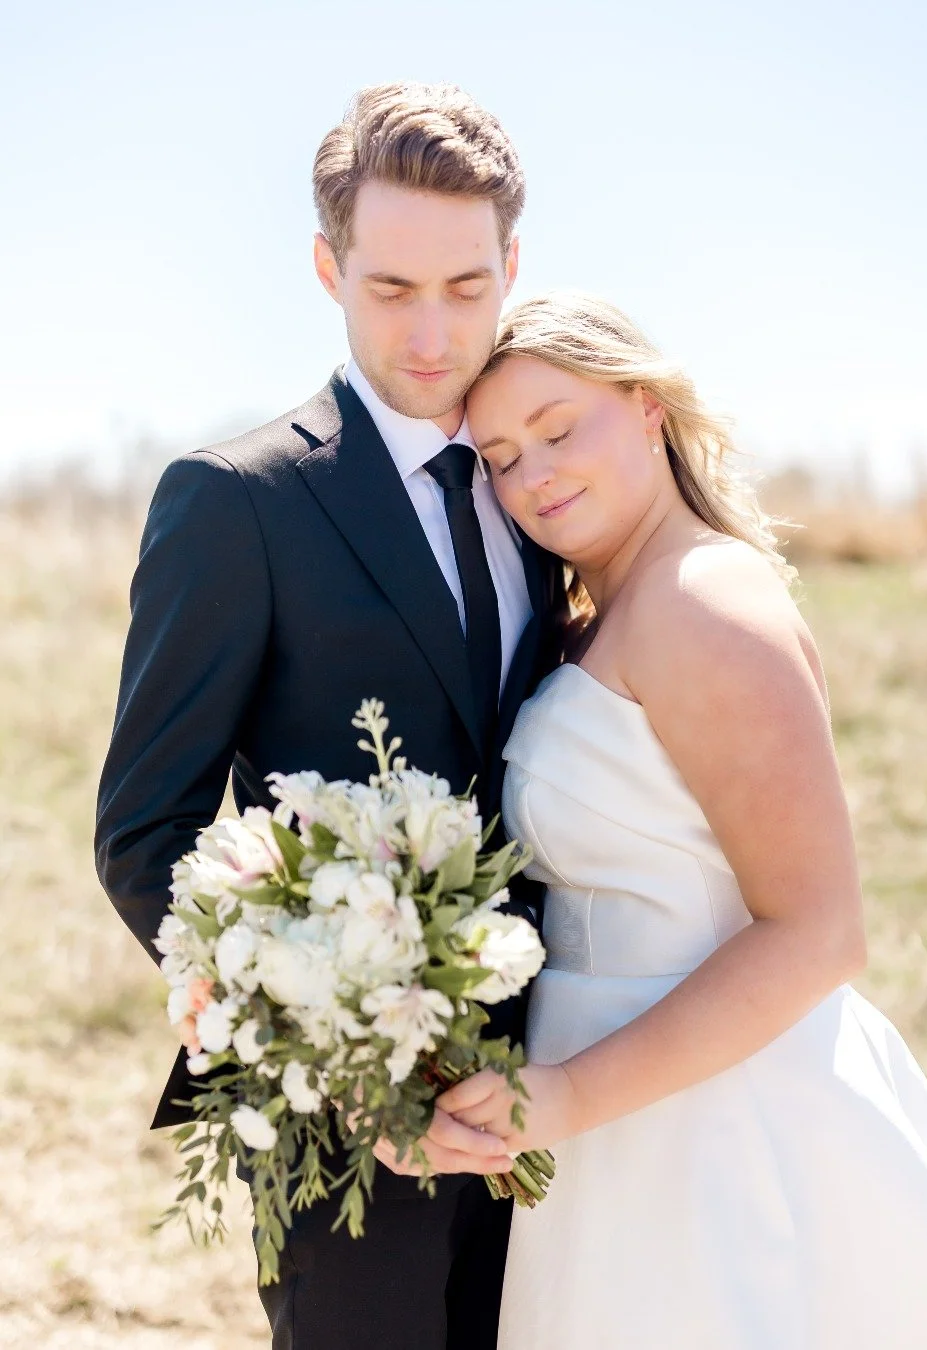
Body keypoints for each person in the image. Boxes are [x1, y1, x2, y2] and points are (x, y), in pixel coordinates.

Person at [432, 291, 927, 1348]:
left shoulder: (705, 604)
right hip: (610, 1109)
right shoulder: (595, 615)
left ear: (645, 409)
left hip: (728, 1116)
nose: (532, 473)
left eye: (559, 428)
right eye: (499, 456)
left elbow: (822, 933)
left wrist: (570, 1099)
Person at [95, 83, 566, 1350]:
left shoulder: (547, 491)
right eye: (391, 288)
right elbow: (147, 828)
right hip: (347, 1121)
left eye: (469, 289)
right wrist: (323, 1042)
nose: (433, 332)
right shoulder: (235, 501)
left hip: (568, 1089)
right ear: (328, 265)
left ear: (513, 264)